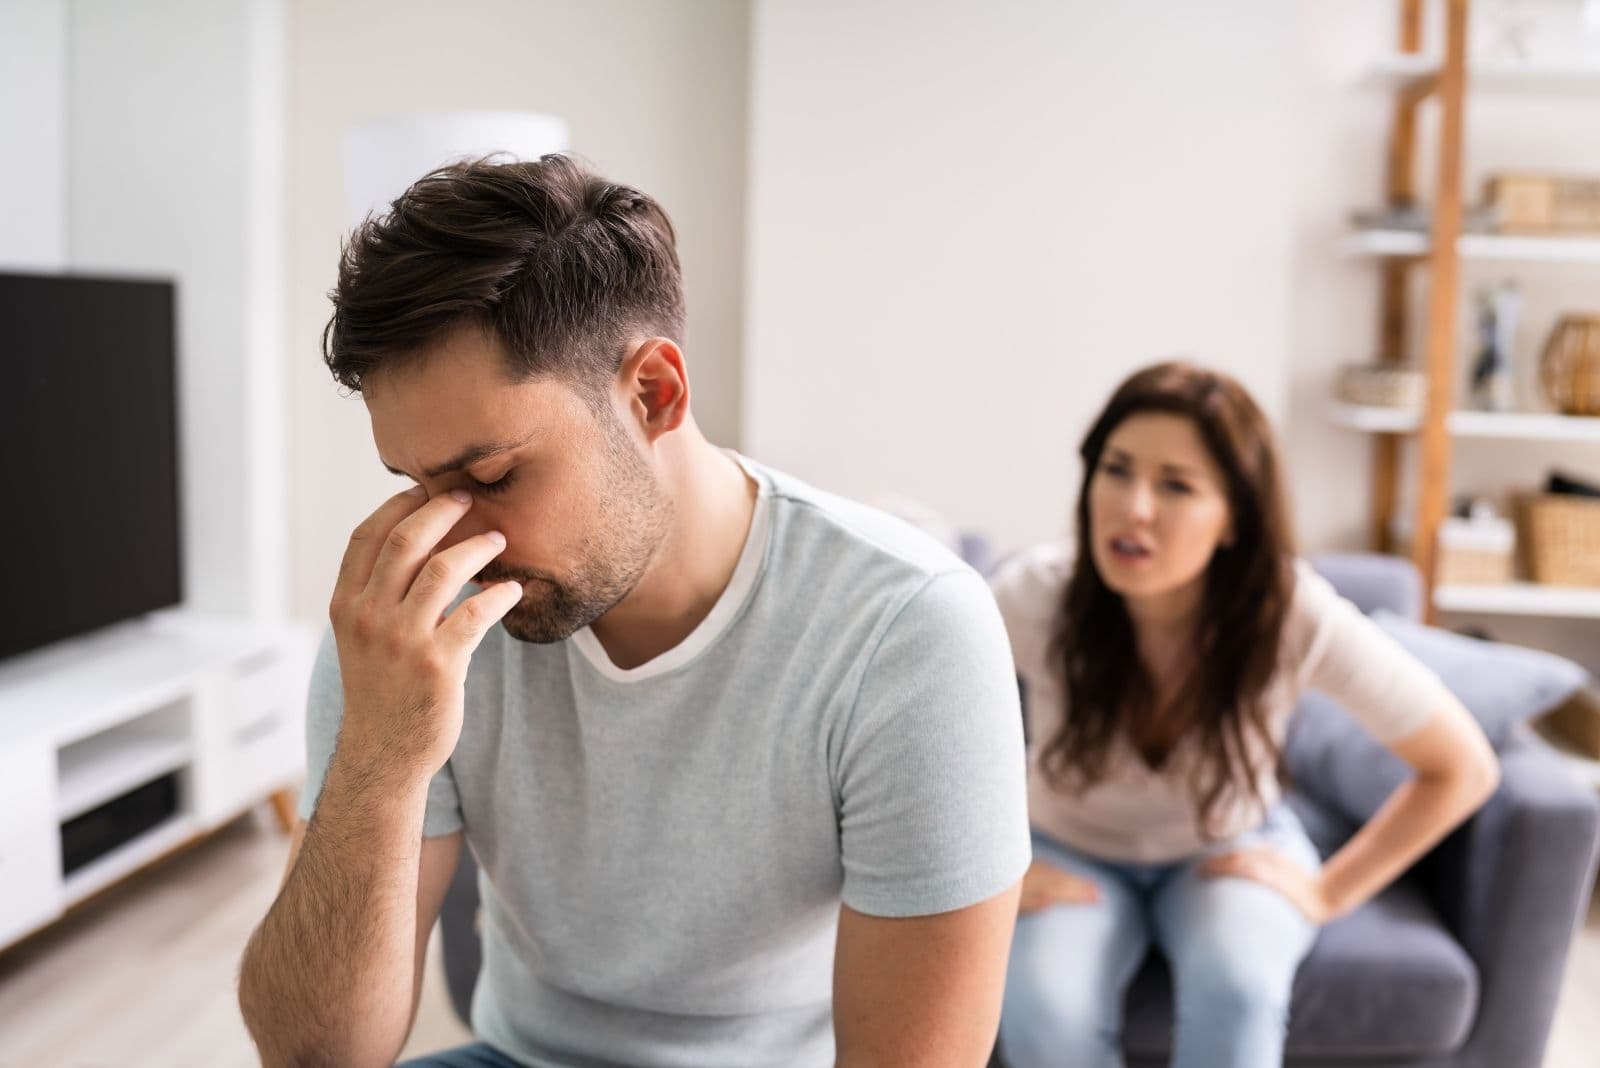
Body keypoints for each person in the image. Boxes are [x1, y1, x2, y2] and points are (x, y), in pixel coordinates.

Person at [237, 155, 1030, 1068]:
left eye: (491, 477)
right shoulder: (408, 622)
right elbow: (312, 1057)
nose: (451, 542)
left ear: (653, 393)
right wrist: (378, 758)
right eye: (416, 485)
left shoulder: (909, 633)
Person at [992, 362, 1499, 1068]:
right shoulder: (1034, 596)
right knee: (1045, 1011)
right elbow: (909, 733)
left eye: (1176, 485)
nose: (1134, 506)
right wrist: (993, 868)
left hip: (1225, 847)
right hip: (1065, 848)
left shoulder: (1291, 615)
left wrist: (1327, 891)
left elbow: (1461, 767)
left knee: (1239, 988)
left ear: (1234, 515)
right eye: (1116, 470)